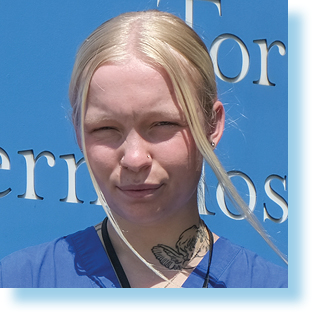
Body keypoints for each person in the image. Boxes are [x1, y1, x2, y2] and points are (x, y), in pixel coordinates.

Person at [0, 10, 287, 288]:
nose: (135, 159)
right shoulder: (20, 282)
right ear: (78, 132)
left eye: (162, 123)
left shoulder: (274, 292)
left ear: (212, 125)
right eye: (105, 129)